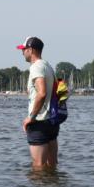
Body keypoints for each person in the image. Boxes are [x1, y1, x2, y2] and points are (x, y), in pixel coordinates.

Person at [18, 36, 58, 170]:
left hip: (39, 122)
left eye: (24, 49)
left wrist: (31, 117)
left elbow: (42, 93)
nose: (22, 52)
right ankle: (52, 184)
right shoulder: (48, 66)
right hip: (52, 121)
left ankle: (39, 186)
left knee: (38, 168)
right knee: (51, 167)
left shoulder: (36, 67)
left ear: (31, 50)